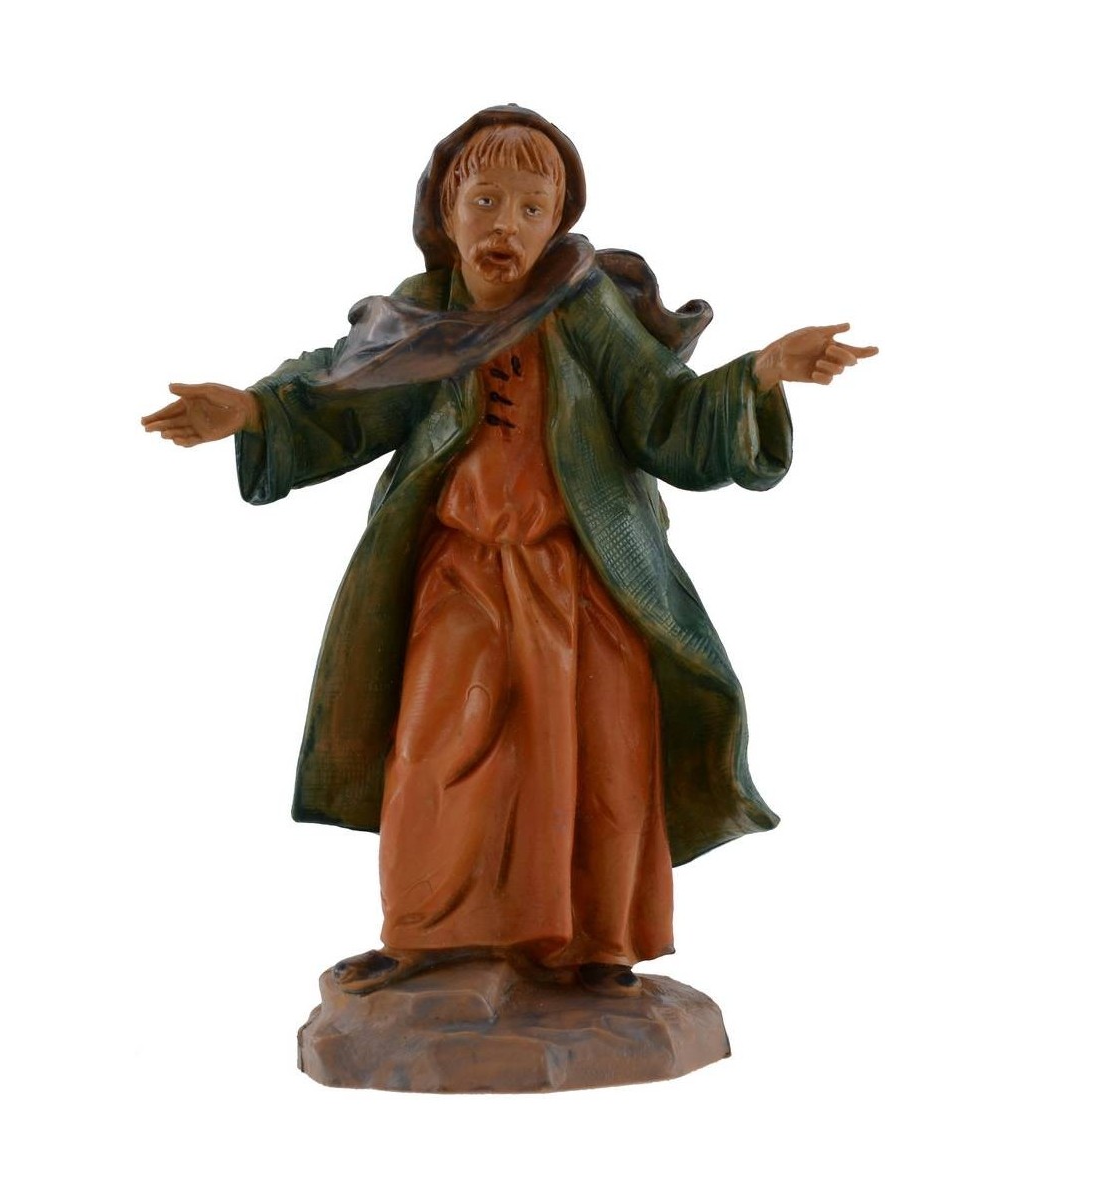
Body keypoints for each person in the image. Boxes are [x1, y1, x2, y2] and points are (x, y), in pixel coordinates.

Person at [142, 106, 876, 998]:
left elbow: (666, 414)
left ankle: (597, 947)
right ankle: (428, 942)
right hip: (462, 569)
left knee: (603, 756)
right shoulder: (419, 320)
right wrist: (252, 410)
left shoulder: (586, 308)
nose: (507, 226)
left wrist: (760, 373)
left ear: (558, 221)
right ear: (445, 215)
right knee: (438, 748)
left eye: (533, 208)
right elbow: (341, 391)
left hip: (587, 572)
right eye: (485, 201)